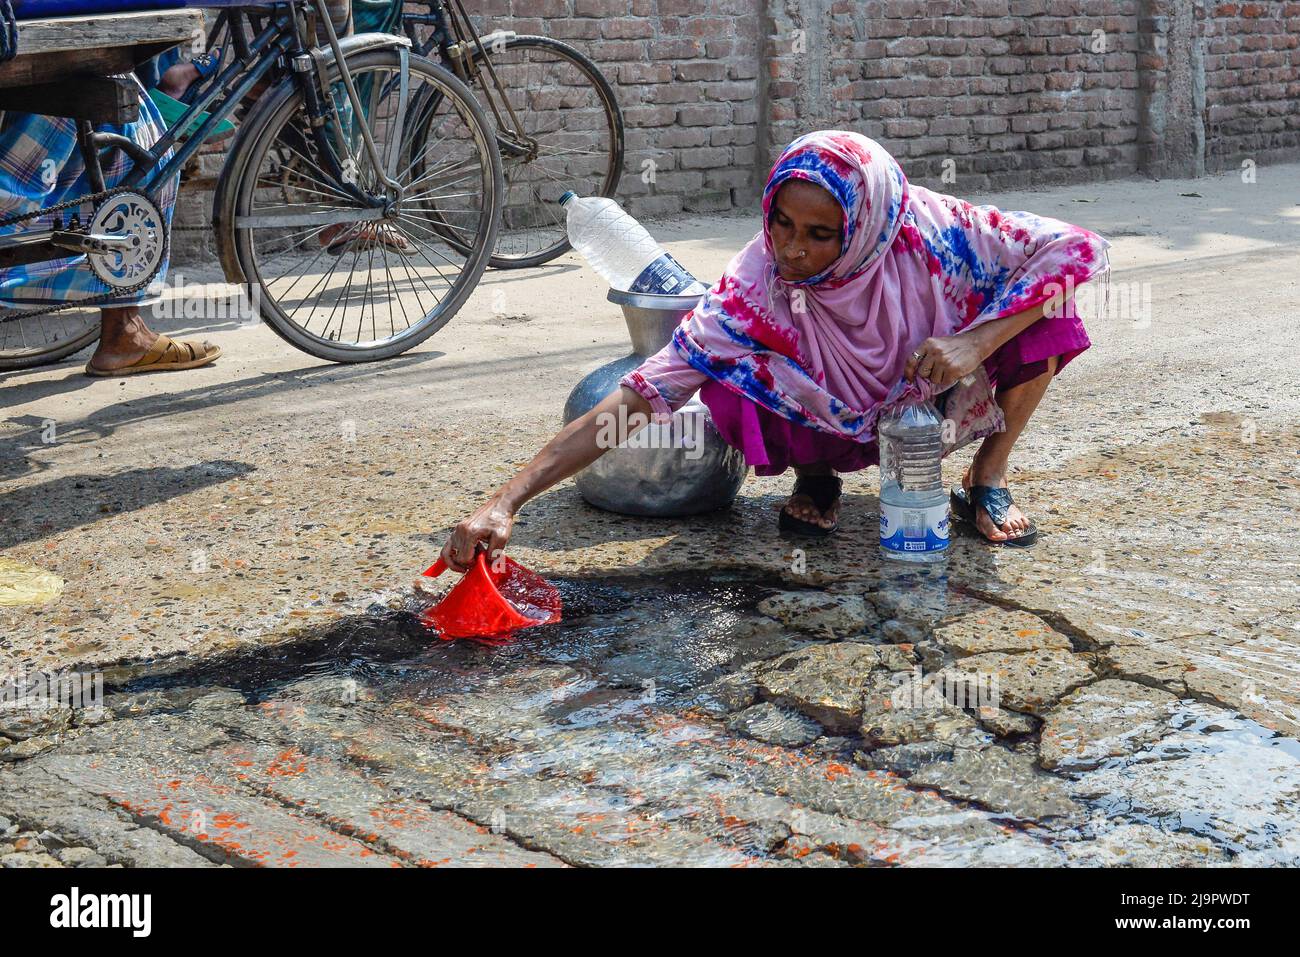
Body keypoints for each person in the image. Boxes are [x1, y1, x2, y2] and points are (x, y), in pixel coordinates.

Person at [439, 130, 1109, 568]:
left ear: (866, 224)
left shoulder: (935, 233)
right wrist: (508, 499)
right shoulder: (753, 286)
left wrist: (974, 339)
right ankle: (816, 476)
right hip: (826, 411)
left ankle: (985, 478)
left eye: (820, 234)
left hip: (928, 396)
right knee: (722, 375)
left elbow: (1081, 247)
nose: (792, 250)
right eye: (782, 223)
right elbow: (643, 393)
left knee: (1050, 311)